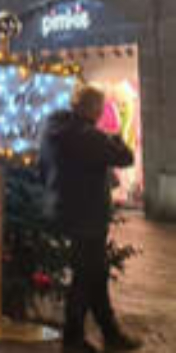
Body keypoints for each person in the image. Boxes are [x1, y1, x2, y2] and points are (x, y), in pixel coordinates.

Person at [41, 85, 142, 353]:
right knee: (87, 277)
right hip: (88, 216)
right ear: (93, 109)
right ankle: (73, 339)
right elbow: (126, 157)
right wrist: (116, 140)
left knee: (94, 274)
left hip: (68, 210)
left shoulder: (57, 131)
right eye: (99, 107)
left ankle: (110, 333)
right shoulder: (88, 137)